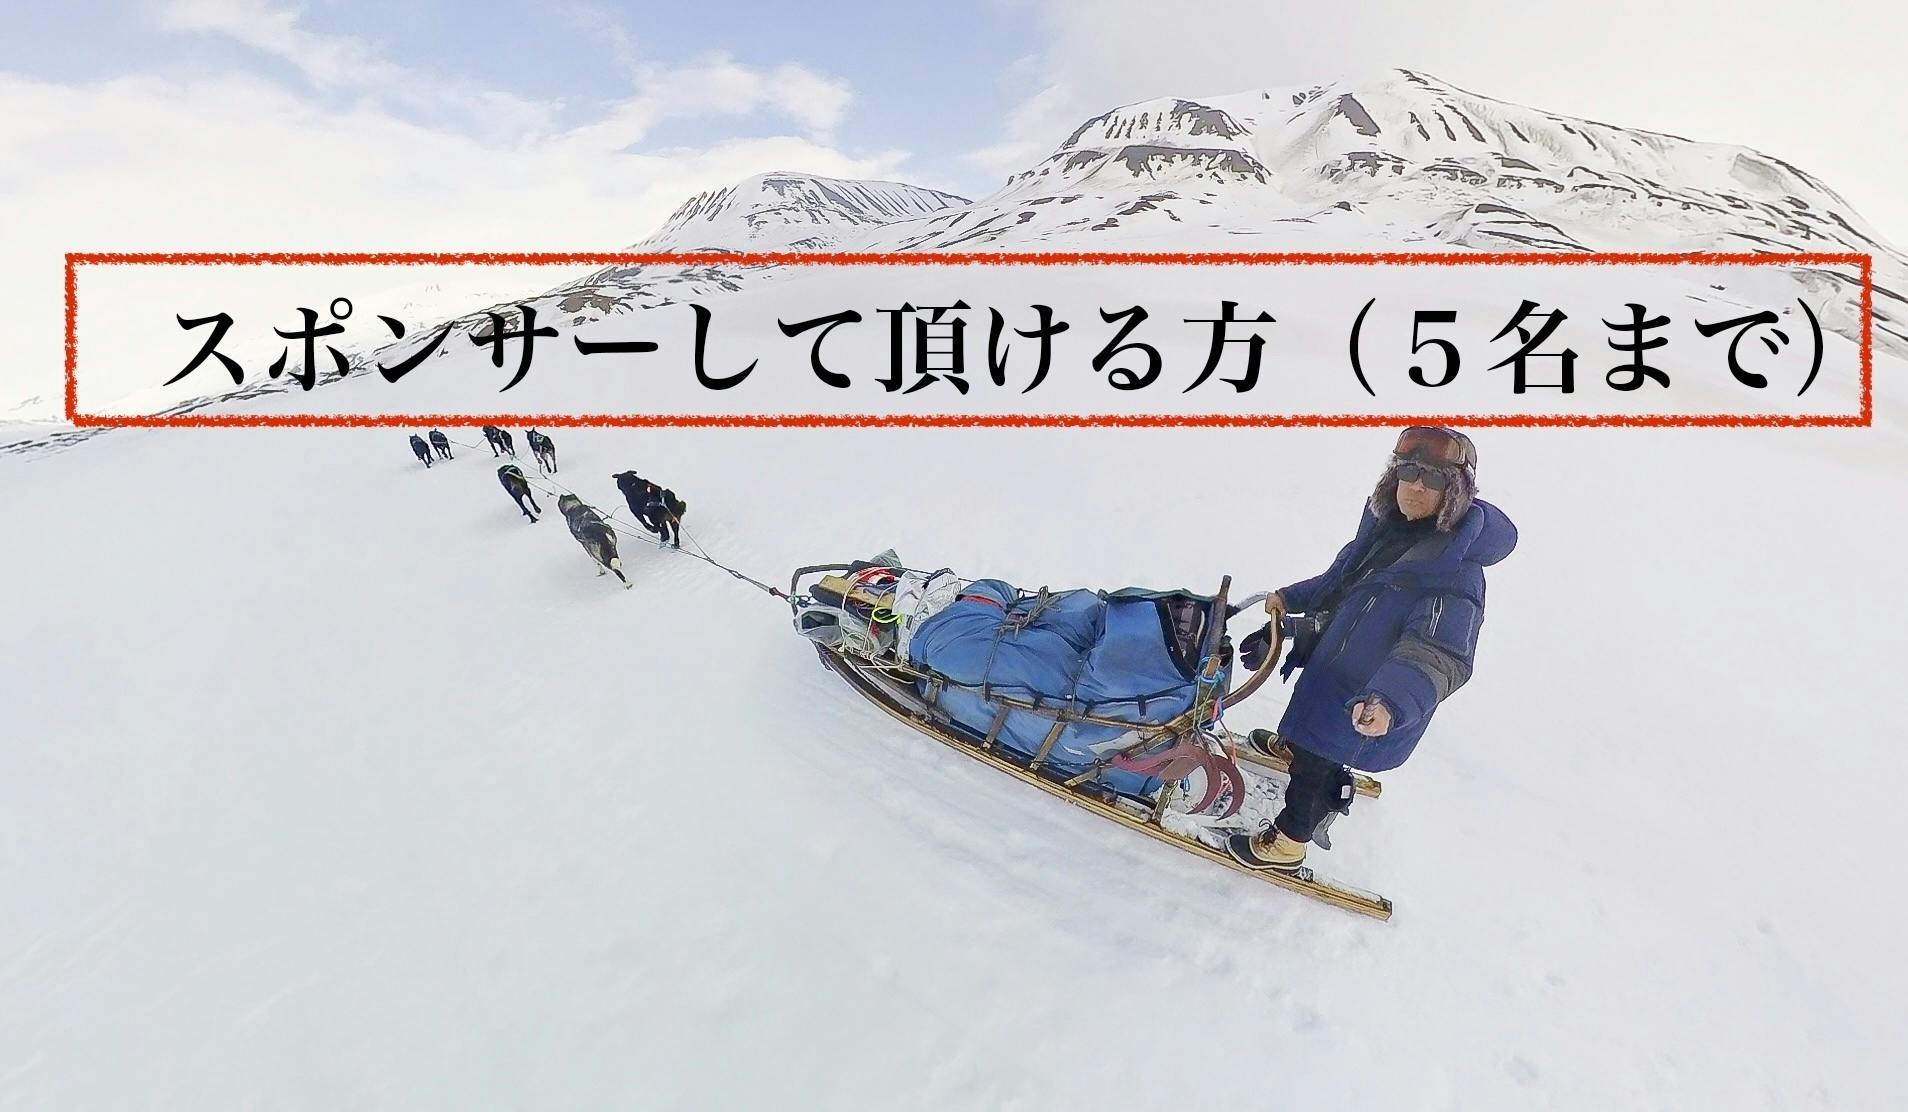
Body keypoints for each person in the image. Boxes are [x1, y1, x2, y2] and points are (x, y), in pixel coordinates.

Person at [1227, 426, 1517, 873]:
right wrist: (1290, 599)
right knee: (1313, 738)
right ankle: (1300, 748)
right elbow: (1338, 581)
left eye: (1434, 479)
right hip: (1334, 671)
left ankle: (1288, 842)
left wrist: (1389, 702)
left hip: (1369, 698)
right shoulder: (1386, 530)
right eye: (1409, 472)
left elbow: (1437, 652)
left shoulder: (1455, 573)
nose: (1416, 487)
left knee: (1316, 766)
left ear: (1454, 494)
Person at [557, 494, 629, 588]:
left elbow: (583, 542)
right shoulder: (585, 509)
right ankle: (614, 558)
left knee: (602, 557)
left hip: (588, 535)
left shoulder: (570, 519)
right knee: (608, 545)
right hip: (601, 529)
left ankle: (621, 578)